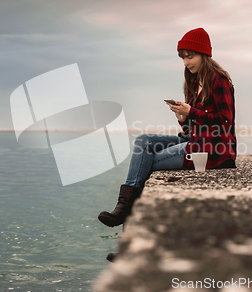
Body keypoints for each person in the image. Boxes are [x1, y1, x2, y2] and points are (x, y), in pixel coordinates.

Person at [98, 28, 237, 246]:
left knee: (147, 161)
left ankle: (128, 223)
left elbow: (225, 122)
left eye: (190, 56)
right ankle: (125, 210)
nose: (186, 62)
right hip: (194, 140)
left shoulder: (218, 80)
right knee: (143, 141)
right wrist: (183, 118)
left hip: (212, 149)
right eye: (183, 57)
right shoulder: (193, 82)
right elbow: (194, 125)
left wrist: (191, 112)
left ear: (204, 54)